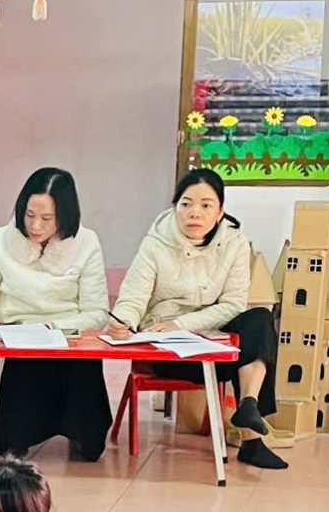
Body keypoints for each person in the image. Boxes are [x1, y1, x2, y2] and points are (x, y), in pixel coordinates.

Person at [108, 168, 289, 472]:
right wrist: (123, 320)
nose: (195, 213)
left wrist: (185, 324)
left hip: (212, 340)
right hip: (169, 348)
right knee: (246, 350)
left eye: (206, 205)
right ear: (175, 207)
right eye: (186, 204)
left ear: (220, 212)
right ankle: (252, 439)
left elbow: (233, 303)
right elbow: (133, 296)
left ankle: (249, 408)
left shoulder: (235, 243)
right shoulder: (155, 244)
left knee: (259, 319)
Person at [0, 167, 114, 459]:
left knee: (90, 445)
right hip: (14, 337)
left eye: (47, 218)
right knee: (7, 413)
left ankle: (79, 433)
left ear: (65, 215)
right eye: (29, 215)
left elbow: (96, 313)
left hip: (66, 338)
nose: (36, 226)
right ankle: (9, 433)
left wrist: (54, 328)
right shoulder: (0, 240)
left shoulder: (86, 242)